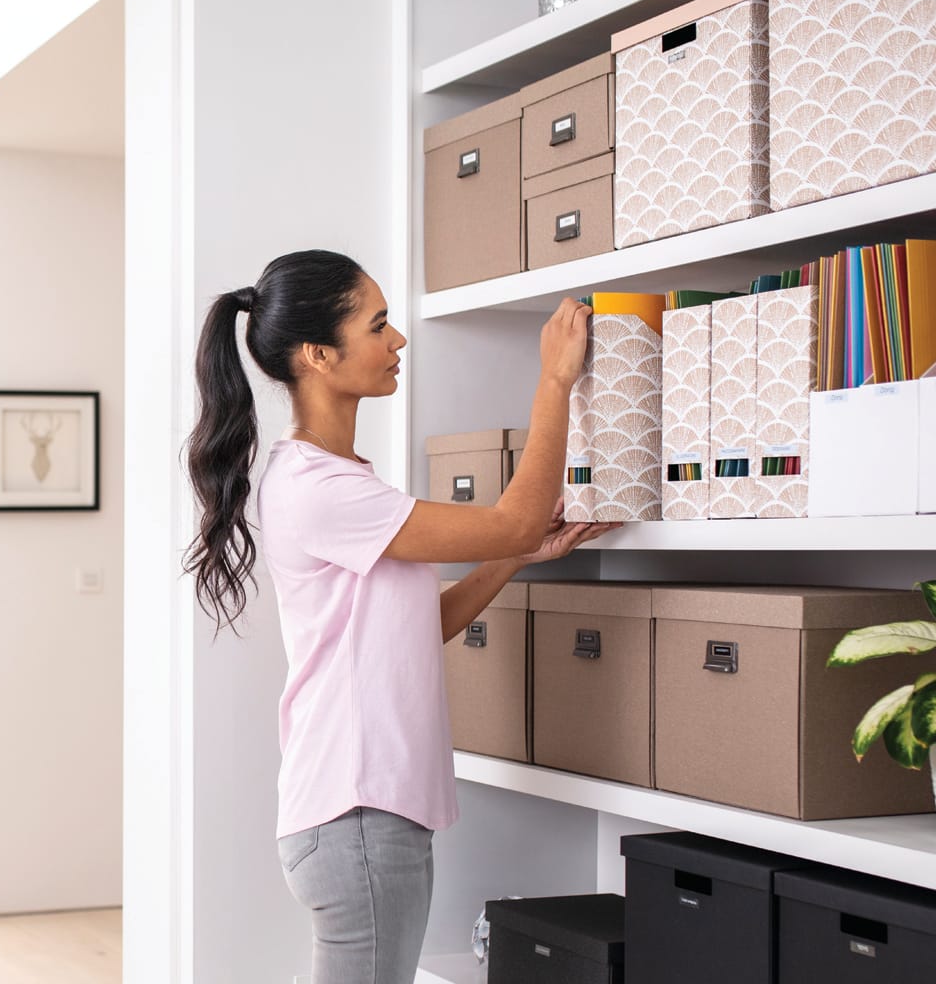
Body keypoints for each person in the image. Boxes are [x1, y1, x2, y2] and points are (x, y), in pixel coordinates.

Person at [184, 249, 615, 983]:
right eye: (378, 325)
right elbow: (513, 518)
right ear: (320, 355)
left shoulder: (341, 482)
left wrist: (514, 557)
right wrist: (553, 380)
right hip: (357, 817)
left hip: (360, 814)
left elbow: (425, 621)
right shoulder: (319, 489)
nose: (399, 341)